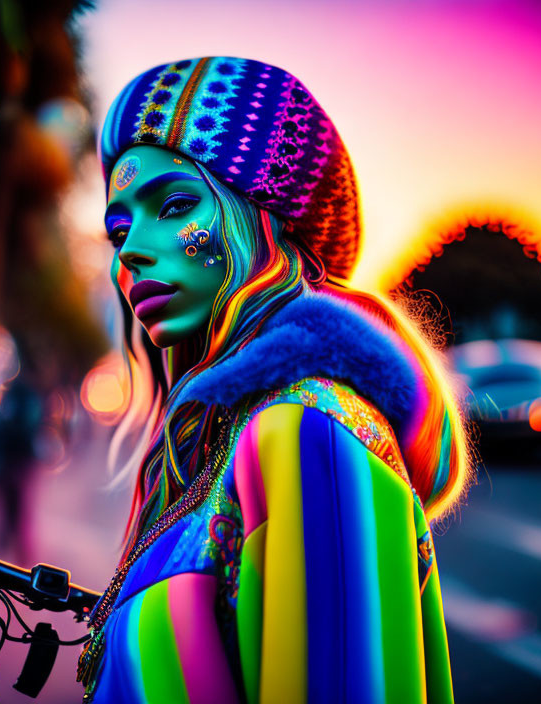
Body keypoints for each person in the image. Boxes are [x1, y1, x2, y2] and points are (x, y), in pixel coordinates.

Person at [77, 57, 470, 704]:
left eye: (173, 205)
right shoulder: (215, 445)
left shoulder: (308, 431)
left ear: (266, 216)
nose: (131, 251)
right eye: (119, 229)